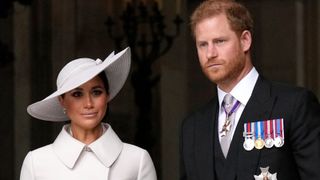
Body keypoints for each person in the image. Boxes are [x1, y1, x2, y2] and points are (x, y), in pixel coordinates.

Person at [180, 0, 320, 180]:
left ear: (245, 40)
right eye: (203, 44)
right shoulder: (192, 128)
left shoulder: (294, 106)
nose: (210, 54)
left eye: (219, 41)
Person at [20, 47, 157, 180]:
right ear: (62, 101)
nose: (89, 104)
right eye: (77, 94)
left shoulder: (137, 160)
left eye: (96, 92)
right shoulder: (36, 163)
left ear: (107, 95)